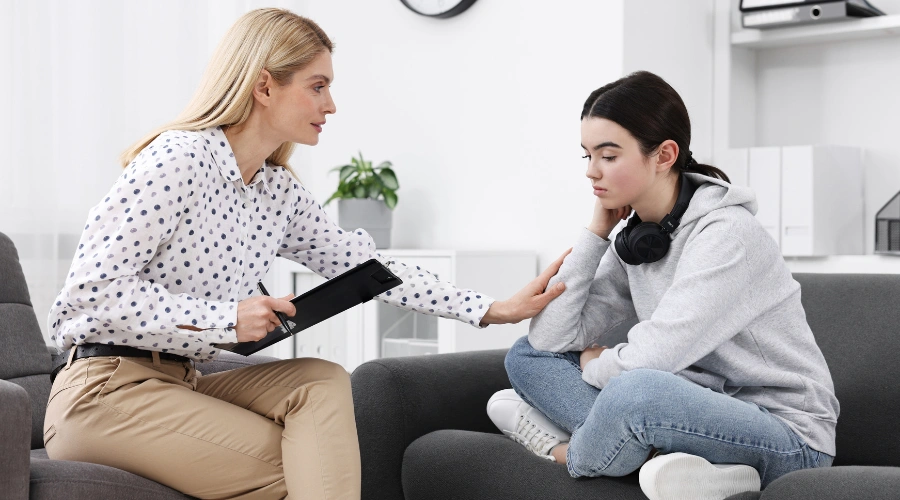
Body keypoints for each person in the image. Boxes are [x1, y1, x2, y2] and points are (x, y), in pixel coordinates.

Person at [44, 8, 566, 500]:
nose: (330, 105)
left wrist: (491, 309)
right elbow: (92, 293)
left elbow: (371, 270)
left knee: (321, 380)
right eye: (318, 87)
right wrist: (225, 317)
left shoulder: (277, 192)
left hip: (185, 379)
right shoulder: (178, 160)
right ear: (264, 86)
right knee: (313, 465)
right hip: (103, 391)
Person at [486, 71, 839, 500]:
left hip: (788, 437)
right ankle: (676, 465)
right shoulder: (639, 240)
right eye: (587, 155)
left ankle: (566, 451)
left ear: (665, 155)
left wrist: (594, 363)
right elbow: (549, 339)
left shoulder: (726, 234)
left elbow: (650, 361)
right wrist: (596, 235)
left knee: (637, 391)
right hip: (690, 412)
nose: (592, 171)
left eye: (608, 155)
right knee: (527, 354)